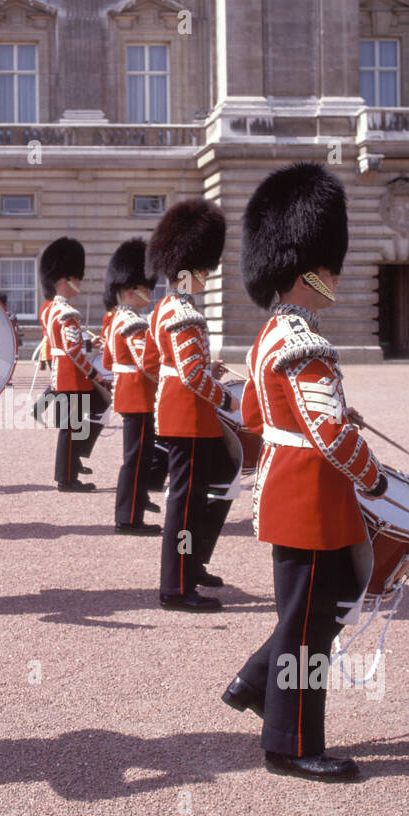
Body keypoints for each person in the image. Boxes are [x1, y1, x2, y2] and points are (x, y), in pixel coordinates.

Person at [221, 162, 387, 783]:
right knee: (308, 627)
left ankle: (257, 682)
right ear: (306, 269)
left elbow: (253, 411)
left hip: (289, 486)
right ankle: (290, 744)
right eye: (329, 267)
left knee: (322, 607)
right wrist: (373, 480)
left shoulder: (272, 334)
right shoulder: (306, 343)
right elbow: (330, 435)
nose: (336, 278)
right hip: (313, 495)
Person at [143, 201, 238, 610]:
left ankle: (193, 563)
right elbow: (192, 377)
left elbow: (154, 364)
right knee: (184, 505)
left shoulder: (164, 309)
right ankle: (176, 586)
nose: (207, 277)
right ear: (188, 269)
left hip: (181, 414)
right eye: (204, 270)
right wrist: (230, 399)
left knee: (209, 491)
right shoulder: (184, 315)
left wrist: (203, 369)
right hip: (190, 419)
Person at [37, 237, 107, 492]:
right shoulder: (68, 313)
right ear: (67, 280)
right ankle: (66, 478)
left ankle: (74, 461)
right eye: (77, 279)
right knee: (71, 427)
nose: (79, 284)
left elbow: (65, 344)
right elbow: (73, 351)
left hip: (63, 372)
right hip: (72, 376)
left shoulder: (50, 310)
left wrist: (89, 346)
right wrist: (94, 373)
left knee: (97, 408)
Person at [103, 238, 162, 535]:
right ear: (130, 290)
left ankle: (130, 513)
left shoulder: (115, 319)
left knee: (136, 459)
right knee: (137, 461)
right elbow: (148, 364)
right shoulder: (134, 322)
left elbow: (107, 357)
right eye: (145, 287)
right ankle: (129, 519)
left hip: (128, 393)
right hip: (139, 396)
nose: (149, 293)